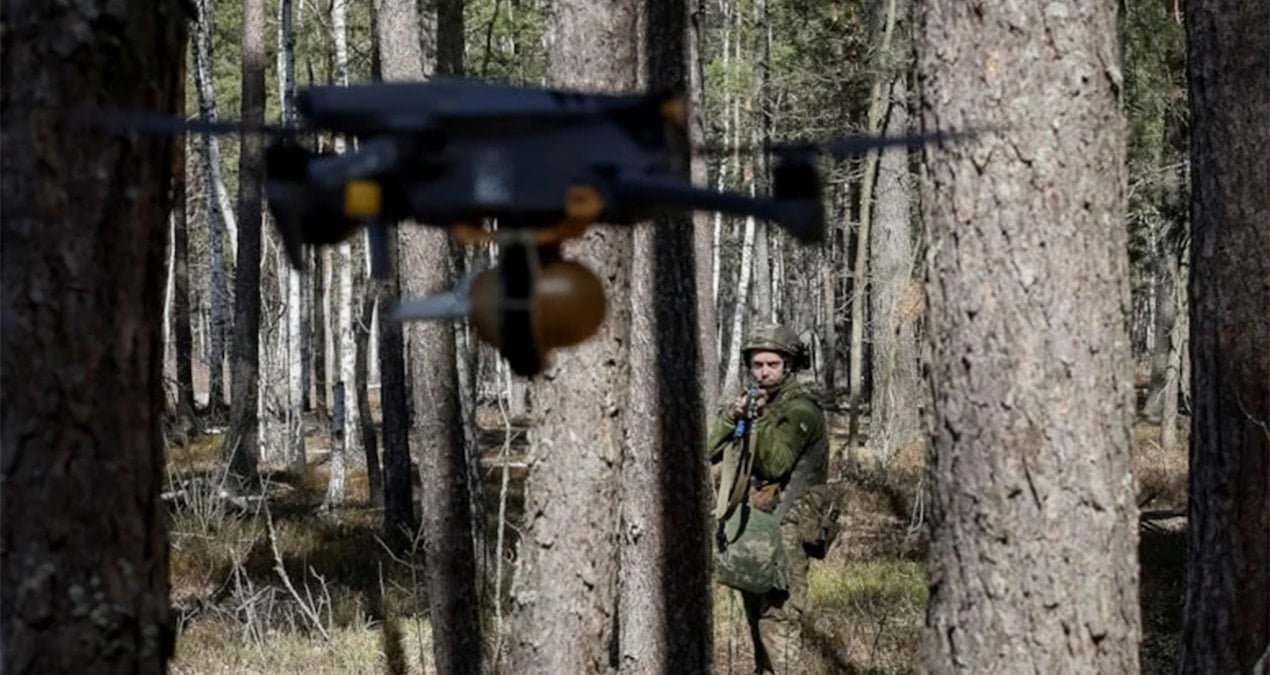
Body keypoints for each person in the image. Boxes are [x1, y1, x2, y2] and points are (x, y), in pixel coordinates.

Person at [708, 324, 836, 674]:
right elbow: (708, 449)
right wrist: (734, 415)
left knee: (778, 623)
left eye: (772, 365)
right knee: (756, 621)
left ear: (789, 366)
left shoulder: (801, 410)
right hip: (757, 525)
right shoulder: (760, 404)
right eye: (757, 364)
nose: (763, 372)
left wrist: (759, 418)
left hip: (789, 528)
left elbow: (777, 462)